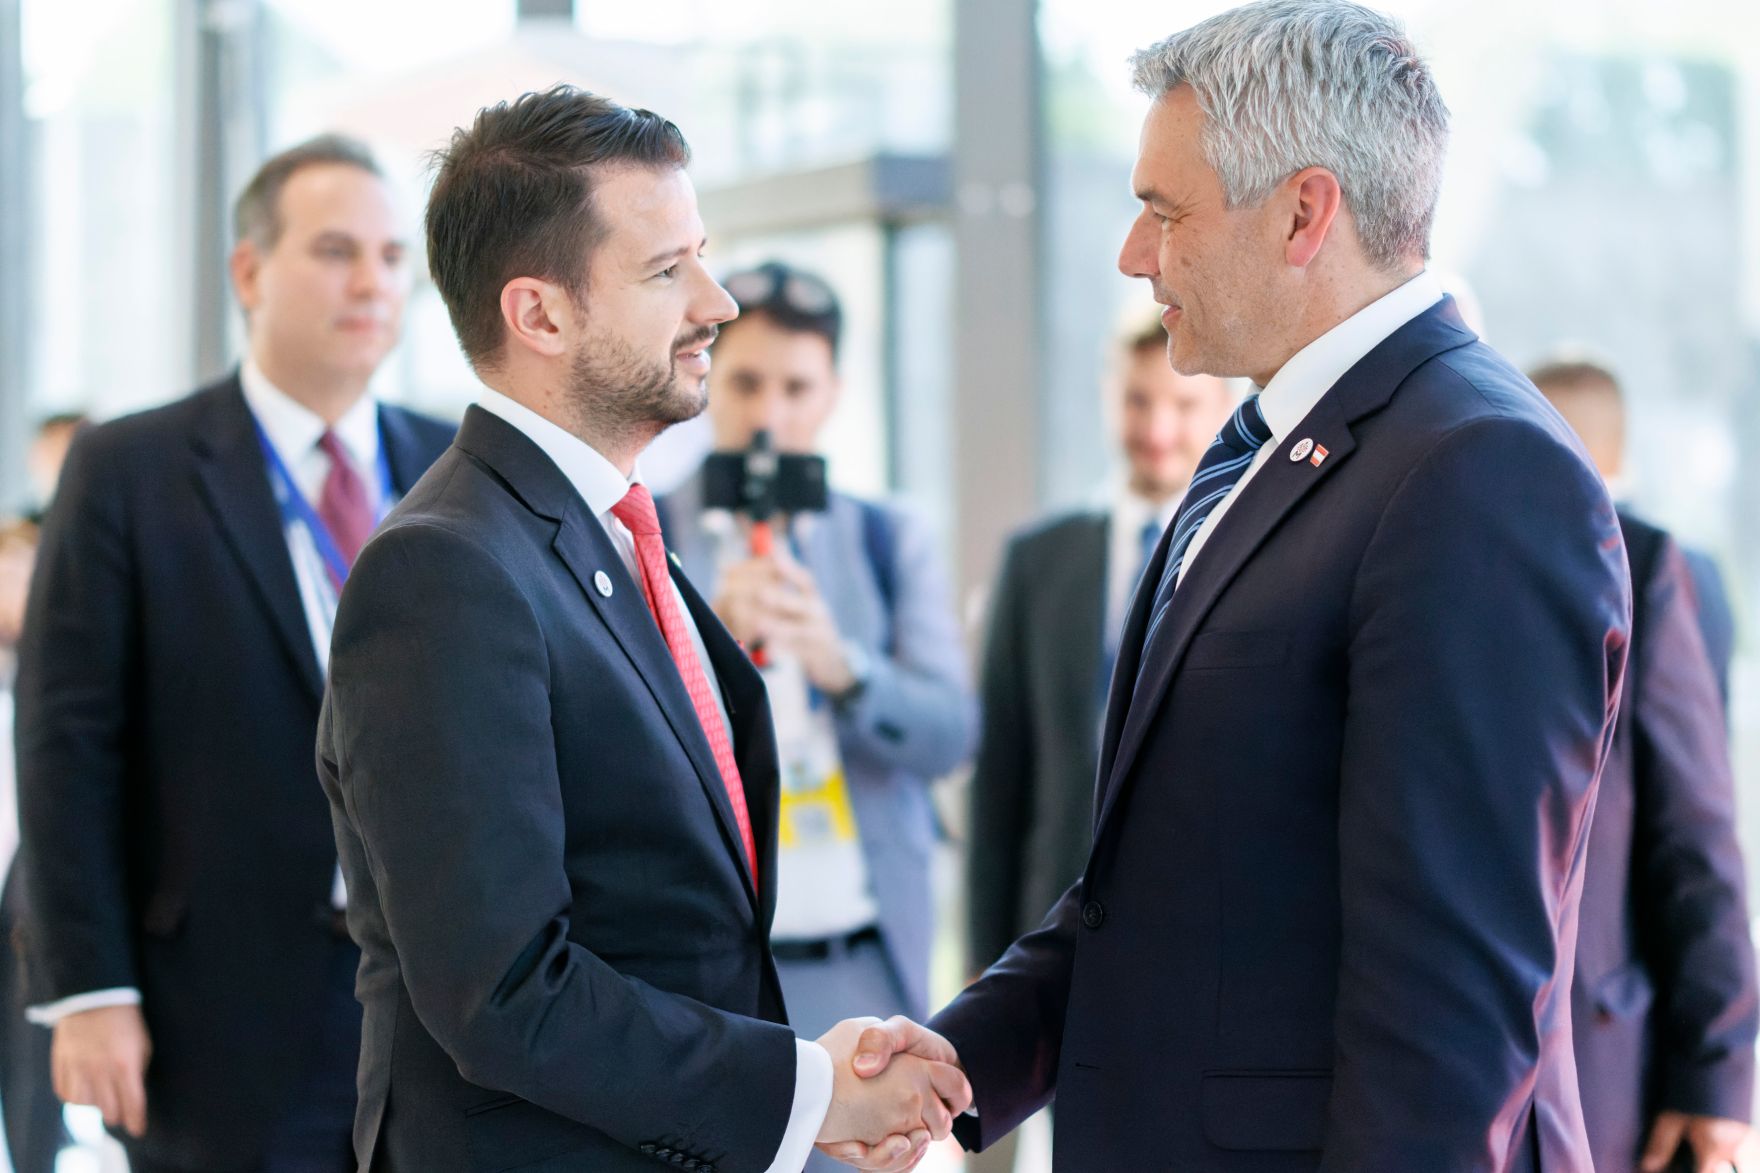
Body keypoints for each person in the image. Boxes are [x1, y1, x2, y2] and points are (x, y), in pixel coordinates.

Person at [840, 3, 1630, 1169]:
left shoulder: (1477, 473)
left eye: (1163, 210)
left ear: (1303, 212)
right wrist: (959, 1061)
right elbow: (1164, 885)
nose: (1132, 252)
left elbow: (1450, 1005)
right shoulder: (1268, 448)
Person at [315, 86, 968, 1173]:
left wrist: (800, 1061)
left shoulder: (606, 526)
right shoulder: (445, 569)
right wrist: (808, 1094)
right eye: (667, 272)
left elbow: (661, 919)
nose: (713, 301)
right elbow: (508, 993)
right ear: (541, 315)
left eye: (699, 257)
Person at [13, 134, 456, 1172]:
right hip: (218, 1013)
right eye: (336, 250)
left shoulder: (451, 463)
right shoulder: (130, 468)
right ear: (249, 271)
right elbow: (66, 740)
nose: (371, 282)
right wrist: (88, 990)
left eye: (394, 257)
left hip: (440, 1011)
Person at [658, 262, 975, 1126]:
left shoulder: (886, 536)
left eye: (796, 386)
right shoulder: (647, 528)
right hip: (710, 974)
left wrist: (844, 665)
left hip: (860, 964)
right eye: (747, 382)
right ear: (707, 378)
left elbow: (952, 732)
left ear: (833, 391)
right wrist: (701, 648)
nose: (770, 414)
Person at [1531, 357, 1756, 1173]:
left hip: (1609, 1050)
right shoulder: (1477, 561)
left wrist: (1720, 1073)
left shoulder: (1657, 570)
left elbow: (1698, 836)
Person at [966, 303, 1233, 979]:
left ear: (1224, 404)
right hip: (1052, 930)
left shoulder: (1250, 555)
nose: (1158, 428)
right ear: (1107, 394)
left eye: (1183, 403)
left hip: (1203, 927)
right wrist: (982, 960)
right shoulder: (1038, 560)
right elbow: (1001, 774)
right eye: (1137, 399)